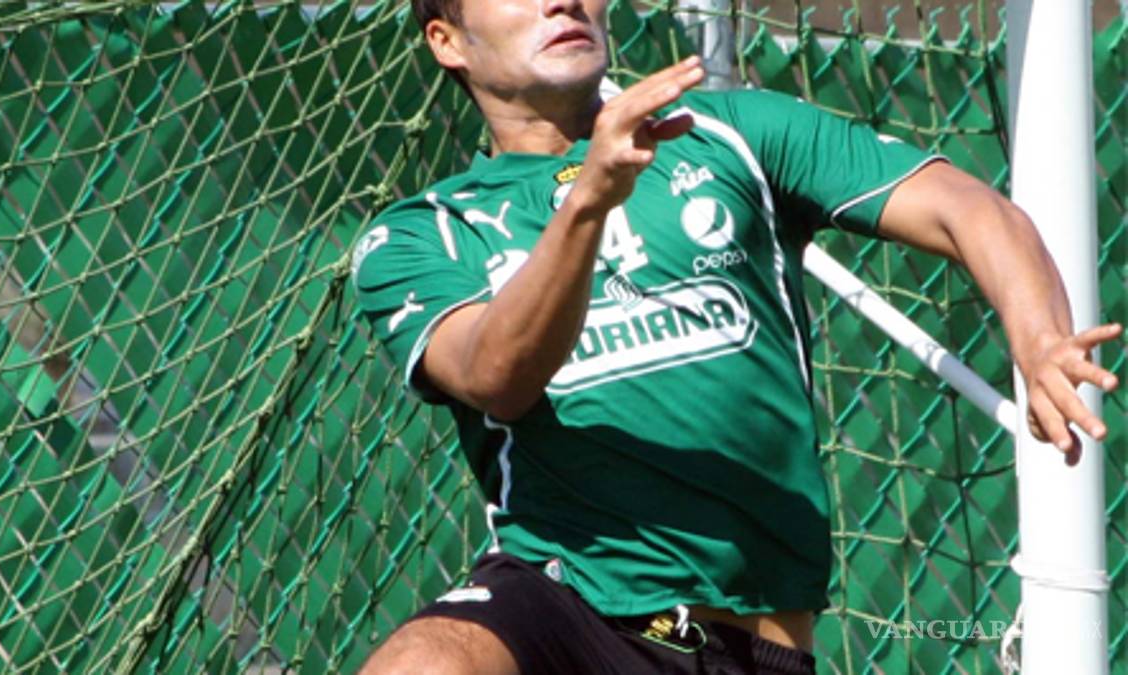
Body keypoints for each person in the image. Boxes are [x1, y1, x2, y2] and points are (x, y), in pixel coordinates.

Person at [350, 0, 1122, 672]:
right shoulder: (424, 233)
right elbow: (496, 374)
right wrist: (588, 202)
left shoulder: (733, 132)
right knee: (426, 661)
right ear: (447, 41)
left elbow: (968, 207)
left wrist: (1039, 338)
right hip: (569, 605)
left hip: (756, 639)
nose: (563, 0)